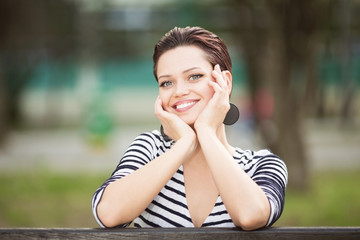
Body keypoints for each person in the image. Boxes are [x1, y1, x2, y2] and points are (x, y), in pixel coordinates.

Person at [92, 26, 287, 230]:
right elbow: (109, 213)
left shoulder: (262, 164)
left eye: (194, 76)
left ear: (224, 83)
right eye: (167, 83)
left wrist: (206, 131)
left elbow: (251, 216)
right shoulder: (149, 149)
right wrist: (184, 143)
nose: (179, 91)